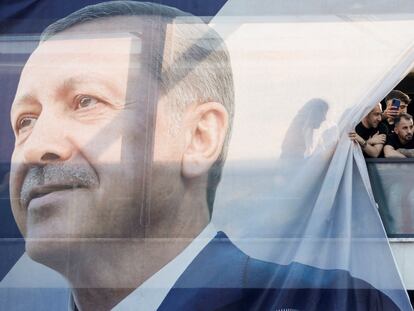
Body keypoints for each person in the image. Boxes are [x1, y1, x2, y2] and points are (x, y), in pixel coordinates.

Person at [7, 1, 400, 310]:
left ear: (199, 136)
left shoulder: (333, 302)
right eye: (25, 121)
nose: (36, 146)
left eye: (85, 101)